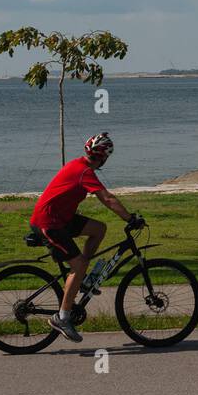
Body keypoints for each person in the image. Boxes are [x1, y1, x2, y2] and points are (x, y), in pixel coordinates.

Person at [29, 132, 137, 342]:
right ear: (104, 156)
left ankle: (83, 279)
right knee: (77, 266)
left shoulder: (80, 165)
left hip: (62, 219)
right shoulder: (84, 171)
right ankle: (62, 317)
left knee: (99, 228)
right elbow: (107, 199)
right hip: (48, 223)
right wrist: (129, 218)